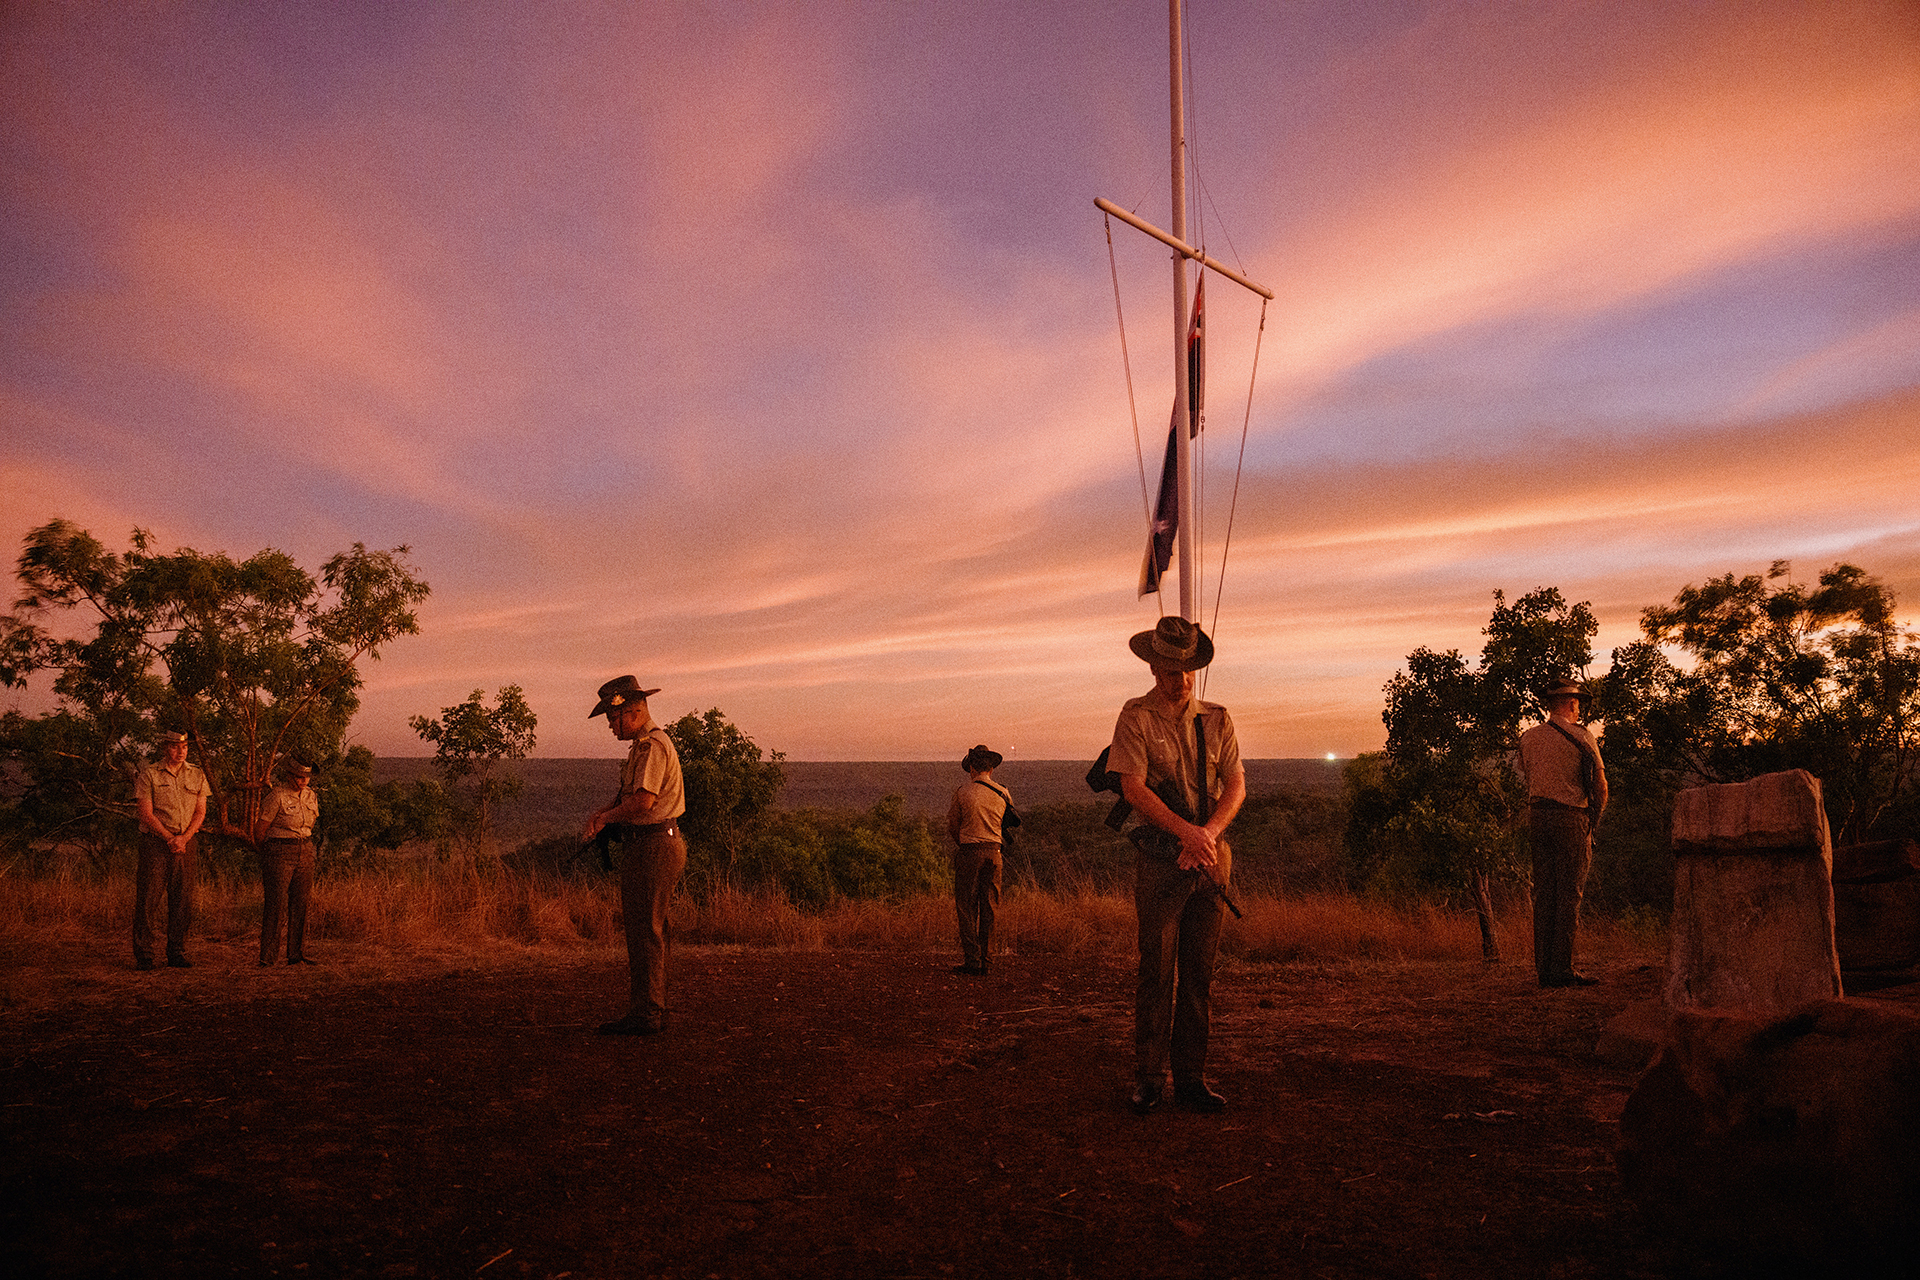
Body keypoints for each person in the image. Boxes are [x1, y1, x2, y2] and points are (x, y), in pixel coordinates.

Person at [1107, 616, 1245, 1115]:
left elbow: (1235, 785)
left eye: (1188, 669)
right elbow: (1133, 788)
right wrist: (1185, 832)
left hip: (1210, 858)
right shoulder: (1135, 717)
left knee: (1199, 974)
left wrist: (1206, 835)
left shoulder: (1218, 718)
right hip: (1163, 860)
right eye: (1170, 669)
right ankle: (1148, 1077)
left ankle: (1191, 1077)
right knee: (1157, 971)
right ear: (1153, 665)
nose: (1180, 679)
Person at [581, 675, 687, 1036]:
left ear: (634, 711)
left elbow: (643, 802)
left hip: (654, 843)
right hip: (654, 842)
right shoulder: (643, 748)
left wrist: (606, 819)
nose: (611, 726)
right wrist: (601, 816)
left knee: (646, 930)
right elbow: (629, 797)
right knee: (651, 928)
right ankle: (652, 1007)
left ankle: (647, 1013)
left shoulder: (651, 747)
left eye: (614, 719)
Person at [1517, 680, 1608, 989]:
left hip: (1537, 816)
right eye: (1577, 702)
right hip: (1571, 816)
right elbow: (1600, 785)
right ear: (1570, 704)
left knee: (1545, 893)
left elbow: (1527, 776)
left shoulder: (1528, 738)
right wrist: (1593, 821)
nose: (1579, 707)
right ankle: (1562, 970)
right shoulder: (1584, 738)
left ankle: (1544, 969)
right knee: (1569, 894)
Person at [132, 730, 208, 970]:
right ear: (166, 747)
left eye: (184, 747)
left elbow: (200, 811)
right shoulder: (150, 774)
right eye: (175, 747)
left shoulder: (197, 774)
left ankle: (176, 951)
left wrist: (184, 838)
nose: (180, 751)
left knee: (183, 899)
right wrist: (169, 838)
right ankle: (144, 954)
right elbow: (145, 812)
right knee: (149, 899)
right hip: (156, 843)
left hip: (186, 842)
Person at [946, 744, 1014, 976]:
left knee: (966, 906)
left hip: (970, 850)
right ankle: (987, 959)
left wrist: (964, 844)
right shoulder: (1003, 792)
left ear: (972, 768)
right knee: (990, 906)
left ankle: (972, 960)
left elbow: (953, 825)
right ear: (991, 769)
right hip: (995, 852)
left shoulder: (962, 792)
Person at [254, 760, 320, 967]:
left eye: (307, 777)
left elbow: (311, 822)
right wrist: (269, 852)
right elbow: (260, 829)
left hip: (305, 848)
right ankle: (268, 957)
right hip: (280, 849)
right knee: (276, 903)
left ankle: (295, 954)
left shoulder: (311, 795)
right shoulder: (277, 796)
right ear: (290, 776)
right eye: (300, 777)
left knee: (301, 902)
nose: (304, 781)